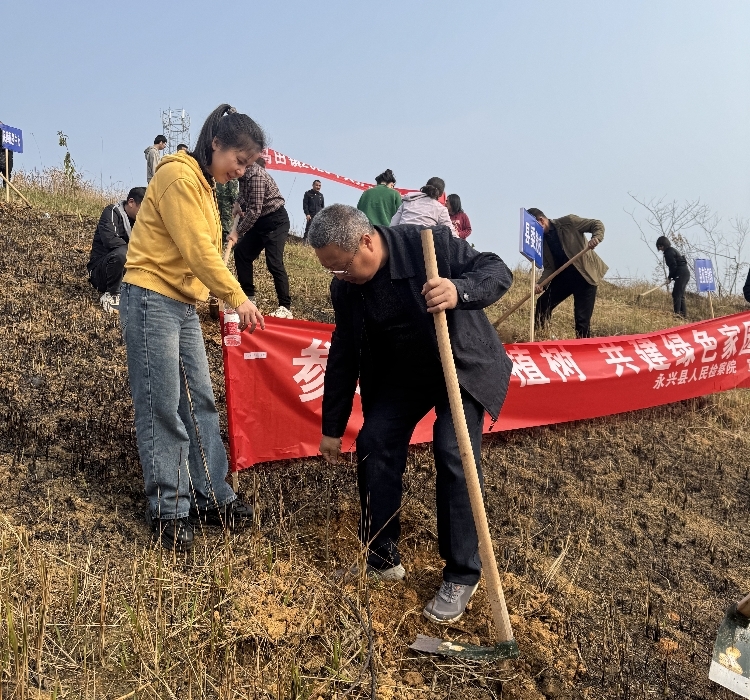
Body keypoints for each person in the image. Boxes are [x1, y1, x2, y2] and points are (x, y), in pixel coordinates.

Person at [309, 204, 513, 624]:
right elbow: (344, 353)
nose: (338, 277)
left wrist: (459, 289)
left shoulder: (427, 247)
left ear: (367, 241)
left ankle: (462, 571)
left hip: (459, 364)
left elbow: (496, 269)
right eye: (331, 271)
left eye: (342, 267)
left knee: (453, 450)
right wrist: (332, 426)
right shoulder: (346, 287)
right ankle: (381, 557)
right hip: (404, 374)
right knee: (374, 441)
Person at [121, 104, 265, 551]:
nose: (240, 172)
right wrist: (236, 296)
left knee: (200, 402)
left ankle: (211, 495)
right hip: (151, 298)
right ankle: (169, 508)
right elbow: (200, 252)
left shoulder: (204, 186)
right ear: (216, 144)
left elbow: (206, 253)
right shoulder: (178, 177)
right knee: (163, 404)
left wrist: (213, 295)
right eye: (239, 161)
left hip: (181, 305)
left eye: (249, 166)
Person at [529, 208, 607, 338]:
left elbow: (597, 224)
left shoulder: (568, 222)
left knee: (582, 320)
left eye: (534, 228)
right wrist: (540, 283)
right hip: (564, 279)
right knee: (543, 304)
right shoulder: (543, 242)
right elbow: (549, 267)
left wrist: (596, 238)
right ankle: (541, 338)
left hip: (585, 276)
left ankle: (582, 350)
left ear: (541, 221)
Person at [230, 157, 293, 319]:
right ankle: (249, 298)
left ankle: (285, 307)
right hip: (260, 222)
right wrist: (238, 203)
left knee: (274, 262)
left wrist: (237, 232)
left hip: (275, 221)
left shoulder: (257, 175)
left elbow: (254, 210)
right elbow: (244, 194)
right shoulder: (242, 175)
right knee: (242, 253)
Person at [87, 187, 146, 313]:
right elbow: (110, 241)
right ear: (131, 202)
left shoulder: (142, 223)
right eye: (144, 208)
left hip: (128, 273)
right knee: (123, 253)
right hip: (102, 273)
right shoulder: (112, 212)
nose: (146, 213)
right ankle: (112, 295)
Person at [391, 177, 457, 236]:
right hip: (423, 244)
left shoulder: (407, 201)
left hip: (401, 240)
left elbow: (393, 224)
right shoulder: (440, 209)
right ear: (441, 194)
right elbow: (451, 232)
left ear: (426, 187)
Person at [655, 236, 690, 318]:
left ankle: (677, 315)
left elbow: (673, 266)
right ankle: (683, 315)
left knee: (676, 294)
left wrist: (670, 277)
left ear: (663, 245)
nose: (660, 249)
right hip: (685, 273)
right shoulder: (672, 250)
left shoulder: (668, 253)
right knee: (680, 295)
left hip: (681, 273)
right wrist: (671, 277)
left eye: (660, 247)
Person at [0, 123, 13, 189]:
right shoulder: (9, 134)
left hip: (6, 158)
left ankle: (6, 191)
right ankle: (6, 190)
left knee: (6, 177)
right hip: (7, 159)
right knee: (7, 177)